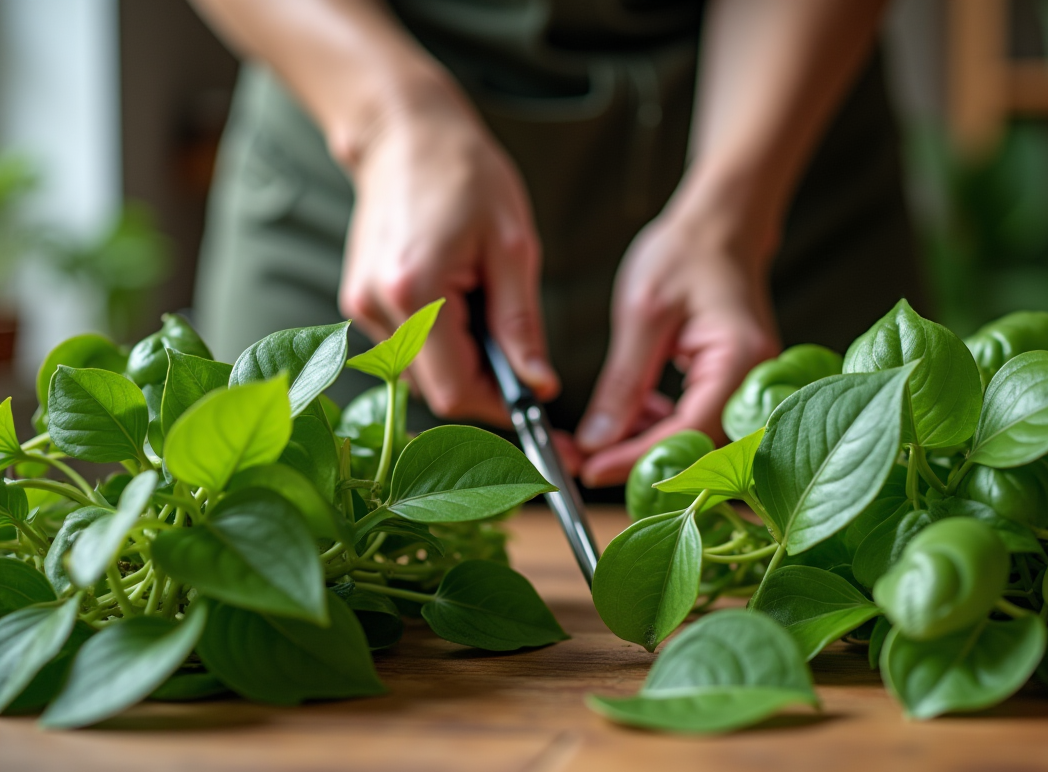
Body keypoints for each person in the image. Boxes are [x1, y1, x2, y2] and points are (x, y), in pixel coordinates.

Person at [190, 0, 922, 491]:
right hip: (351, 151)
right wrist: (386, 117)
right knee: (293, 522)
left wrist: (736, 210)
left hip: (783, 145)